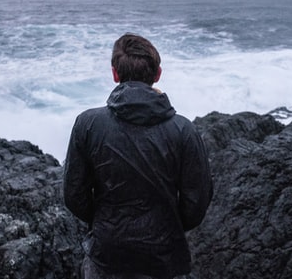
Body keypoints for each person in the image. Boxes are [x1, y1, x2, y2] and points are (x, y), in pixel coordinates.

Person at [63, 33, 213, 279]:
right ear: (158, 74)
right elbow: (196, 204)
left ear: (115, 74)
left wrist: (104, 222)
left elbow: (73, 195)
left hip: (106, 254)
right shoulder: (184, 130)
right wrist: (168, 227)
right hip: (164, 257)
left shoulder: (88, 124)